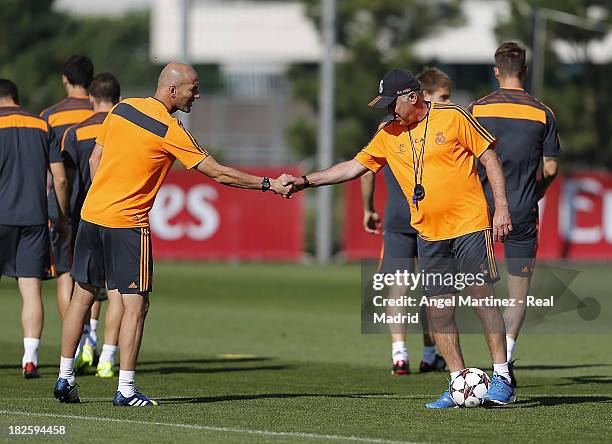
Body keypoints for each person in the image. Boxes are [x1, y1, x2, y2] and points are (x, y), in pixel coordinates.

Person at [53, 62, 293, 406]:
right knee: (137, 304)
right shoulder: (170, 129)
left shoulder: (122, 109)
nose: (197, 94)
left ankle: (64, 379)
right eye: (193, 89)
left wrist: (102, 194)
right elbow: (218, 172)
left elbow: (95, 158)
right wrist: (268, 184)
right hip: (127, 224)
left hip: (92, 215)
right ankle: (125, 389)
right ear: (172, 90)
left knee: (82, 296)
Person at [285, 68, 517, 408]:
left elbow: (489, 157)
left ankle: (502, 376)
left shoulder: (453, 116)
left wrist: (502, 208)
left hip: (469, 223)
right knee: (438, 310)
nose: (387, 111)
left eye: (390, 103)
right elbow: (352, 167)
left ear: (412, 97)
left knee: (482, 297)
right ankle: (456, 382)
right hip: (428, 231)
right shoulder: (389, 133)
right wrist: (305, 181)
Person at [469, 42, 560, 387]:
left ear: (496, 72)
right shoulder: (542, 113)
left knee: (481, 289)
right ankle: (503, 362)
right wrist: (537, 192)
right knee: (518, 292)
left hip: (479, 212)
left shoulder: (475, 109)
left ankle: (484, 362)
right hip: (522, 211)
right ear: (524, 72)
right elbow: (550, 168)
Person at [361, 67, 453, 375]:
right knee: (433, 289)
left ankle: (399, 353)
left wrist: (367, 207)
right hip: (428, 217)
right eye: (443, 96)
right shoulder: (431, 125)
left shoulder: (384, 128)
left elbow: (366, 169)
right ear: (422, 96)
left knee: (399, 286)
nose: (447, 102)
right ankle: (429, 353)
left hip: (398, 215)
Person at [0, 79, 70, 378]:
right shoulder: (42, 125)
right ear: (16, 97)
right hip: (35, 218)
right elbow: (60, 179)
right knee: (31, 291)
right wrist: (63, 217)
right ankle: (30, 358)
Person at [60, 72, 123, 378]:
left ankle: (80, 350)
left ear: (91, 99)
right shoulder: (128, 129)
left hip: (85, 216)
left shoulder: (75, 132)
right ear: (119, 100)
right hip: (119, 218)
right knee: (118, 292)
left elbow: (67, 181)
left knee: (81, 289)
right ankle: (109, 358)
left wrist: (66, 214)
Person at [40, 55, 95, 330]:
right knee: (96, 274)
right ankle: (93, 339)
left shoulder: (49, 116)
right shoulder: (107, 113)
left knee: (64, 273)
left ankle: (77, 341)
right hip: (99, 202)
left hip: (63, 203)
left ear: (65, 79)